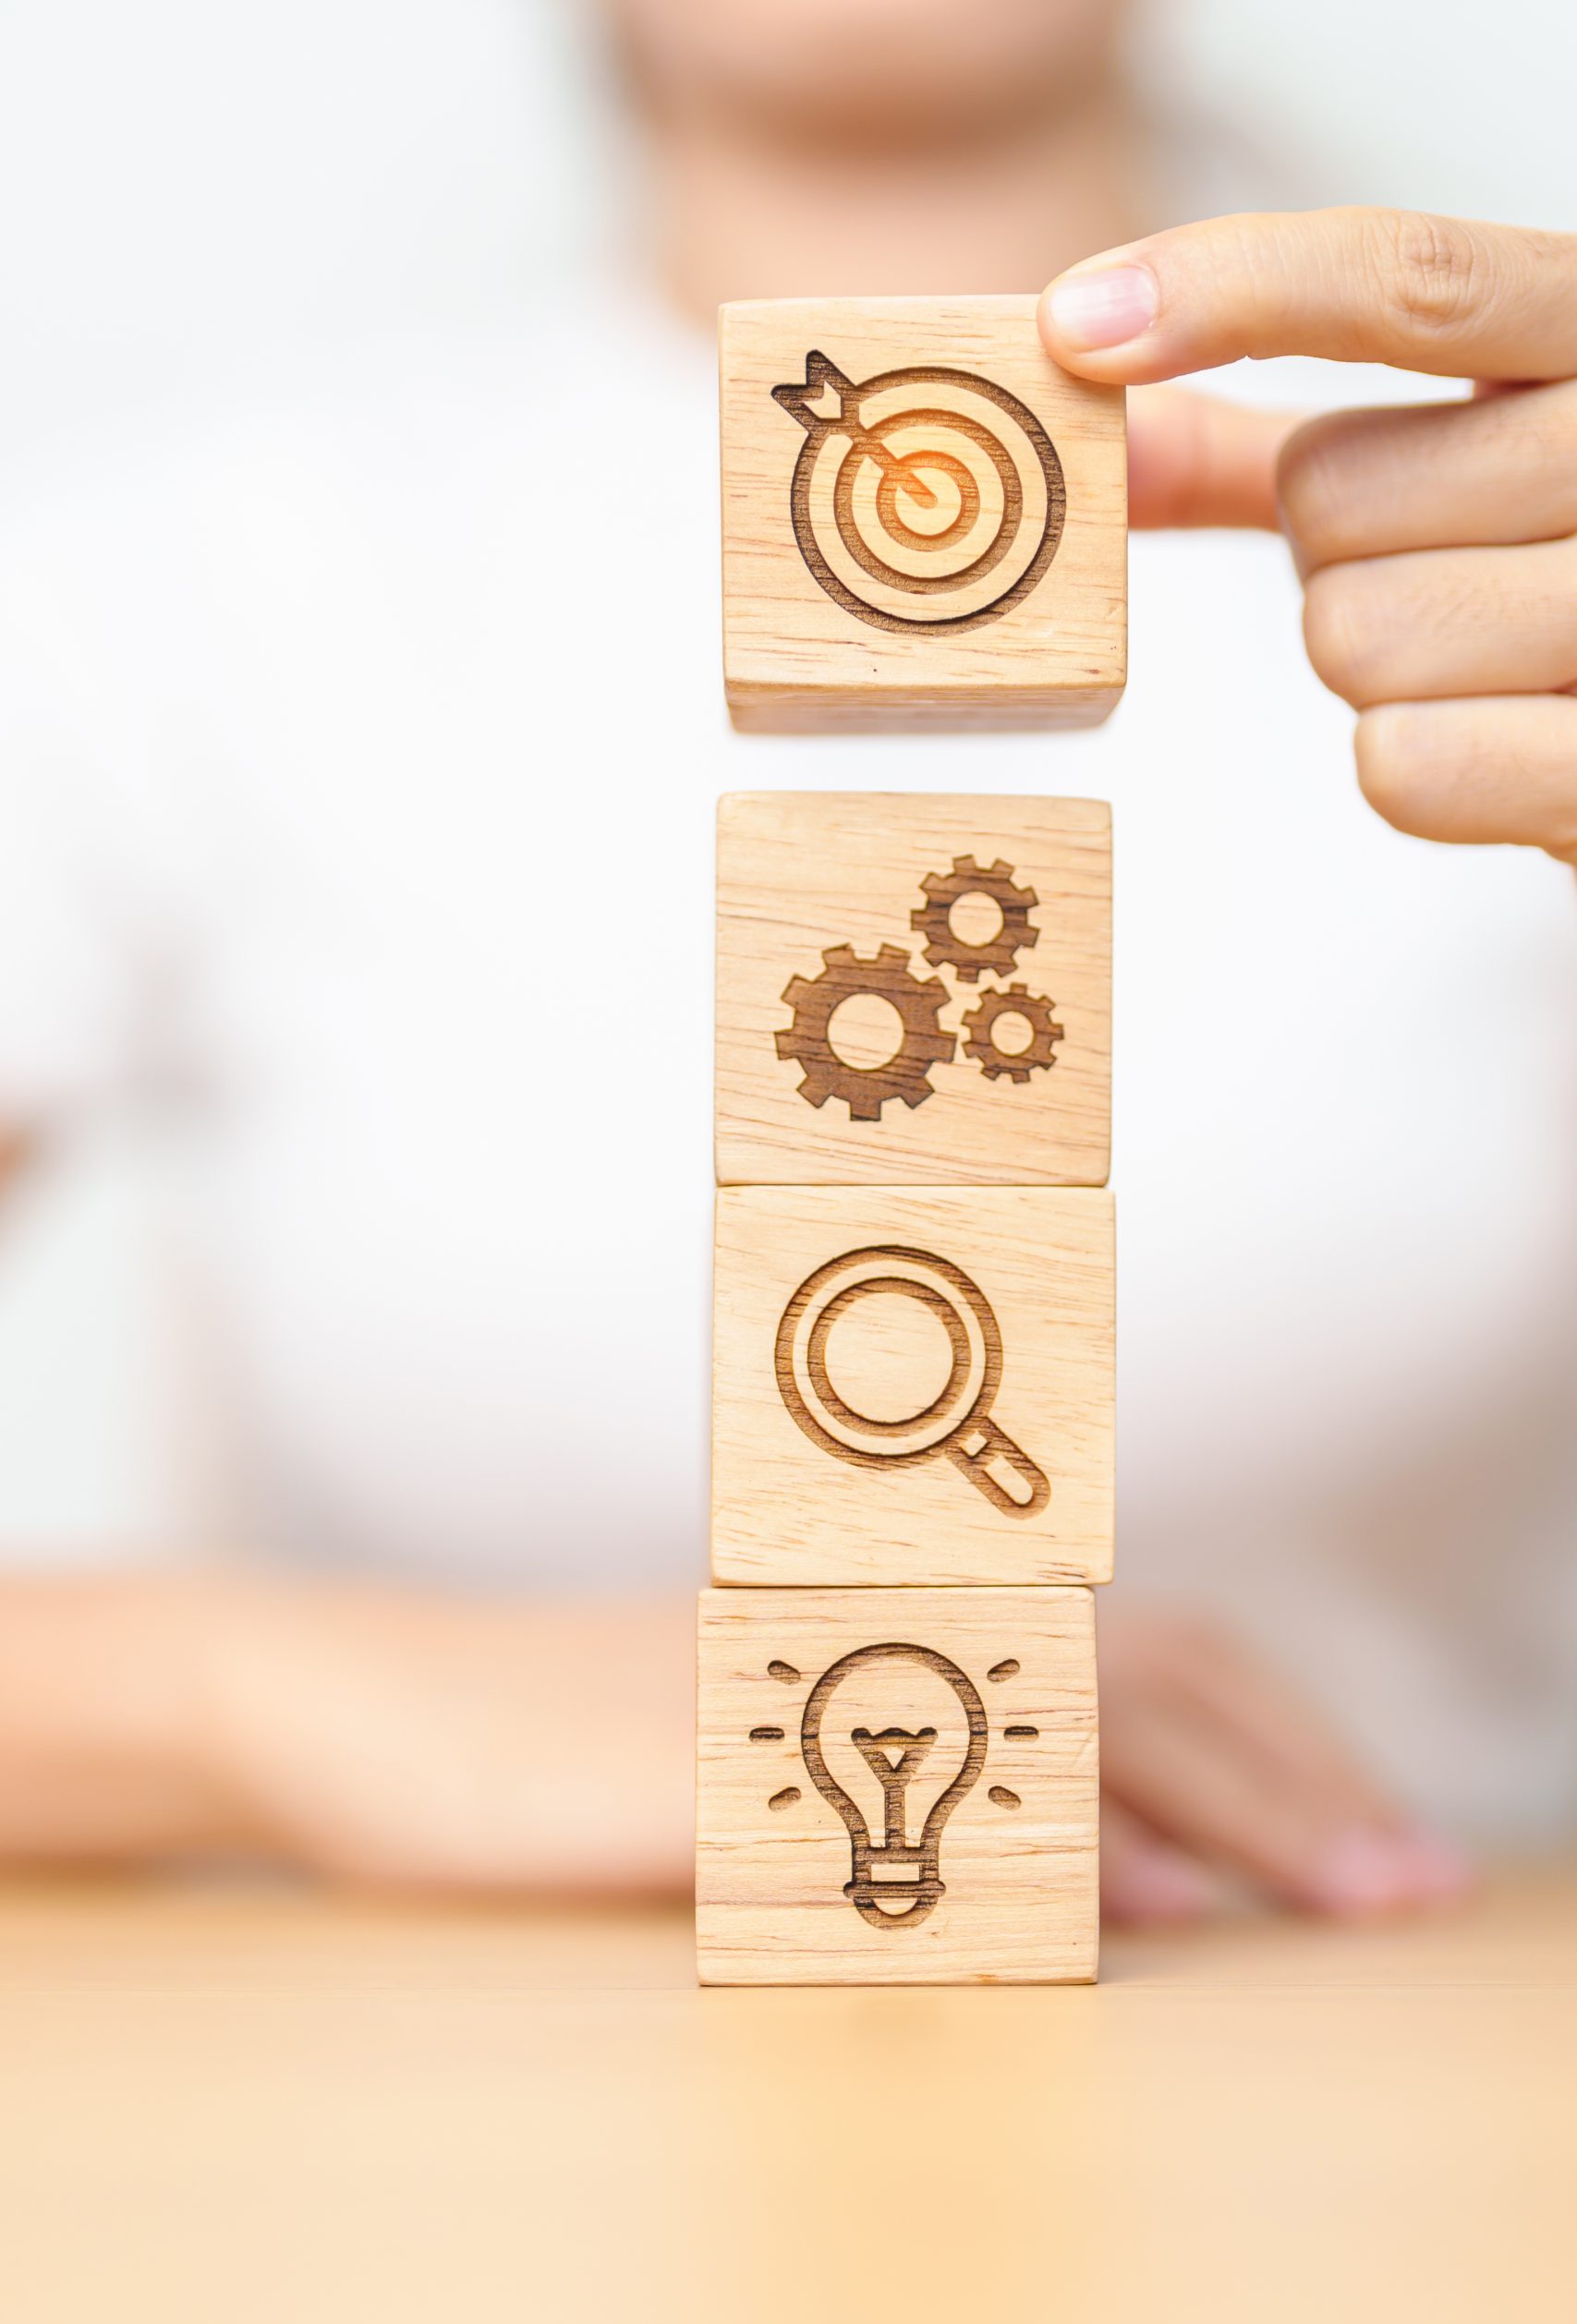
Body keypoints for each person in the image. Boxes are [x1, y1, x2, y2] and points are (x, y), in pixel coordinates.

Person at [1, 0, 1573, 1920]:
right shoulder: (173, 587)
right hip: (414, 2077)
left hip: (1427, 2011)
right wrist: (258, 1698)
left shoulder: (1515, 554)